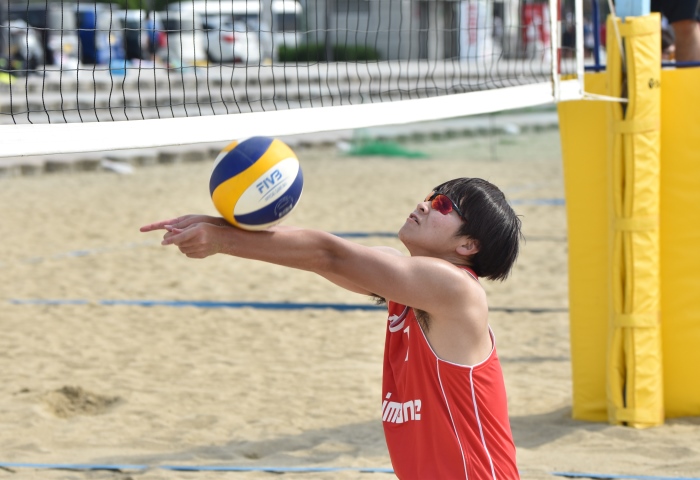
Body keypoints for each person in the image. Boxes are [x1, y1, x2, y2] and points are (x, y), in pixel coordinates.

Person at [140, 177, 523, 479]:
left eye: (443, 205)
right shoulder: (407, 285)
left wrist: (223, 239)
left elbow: (327, 255)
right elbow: (326, 256)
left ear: (468, 245)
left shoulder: (456, 290)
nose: (424, 203)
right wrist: (215, 224)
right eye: (431, 195)